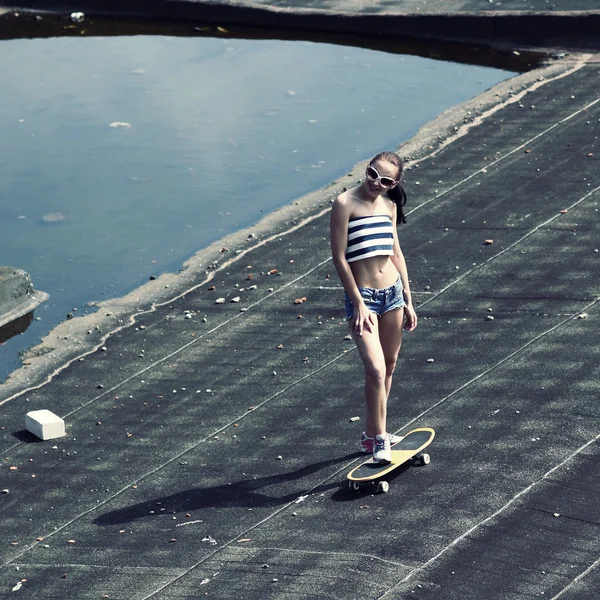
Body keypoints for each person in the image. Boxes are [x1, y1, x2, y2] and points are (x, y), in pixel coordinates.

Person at [330, 151, 417, 463]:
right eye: (371, 173)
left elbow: (396, 253)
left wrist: (408, 298)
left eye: (384, 180)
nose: (374, 183)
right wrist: (358, 303)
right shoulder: (344, 204)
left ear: (393, 184)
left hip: (392, 294)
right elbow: (339, 257)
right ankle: (381, 439)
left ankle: (372, 434)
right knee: (375, 369)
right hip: (363, 298)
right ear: (366, 169)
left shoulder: (390, 206)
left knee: (389, 366)